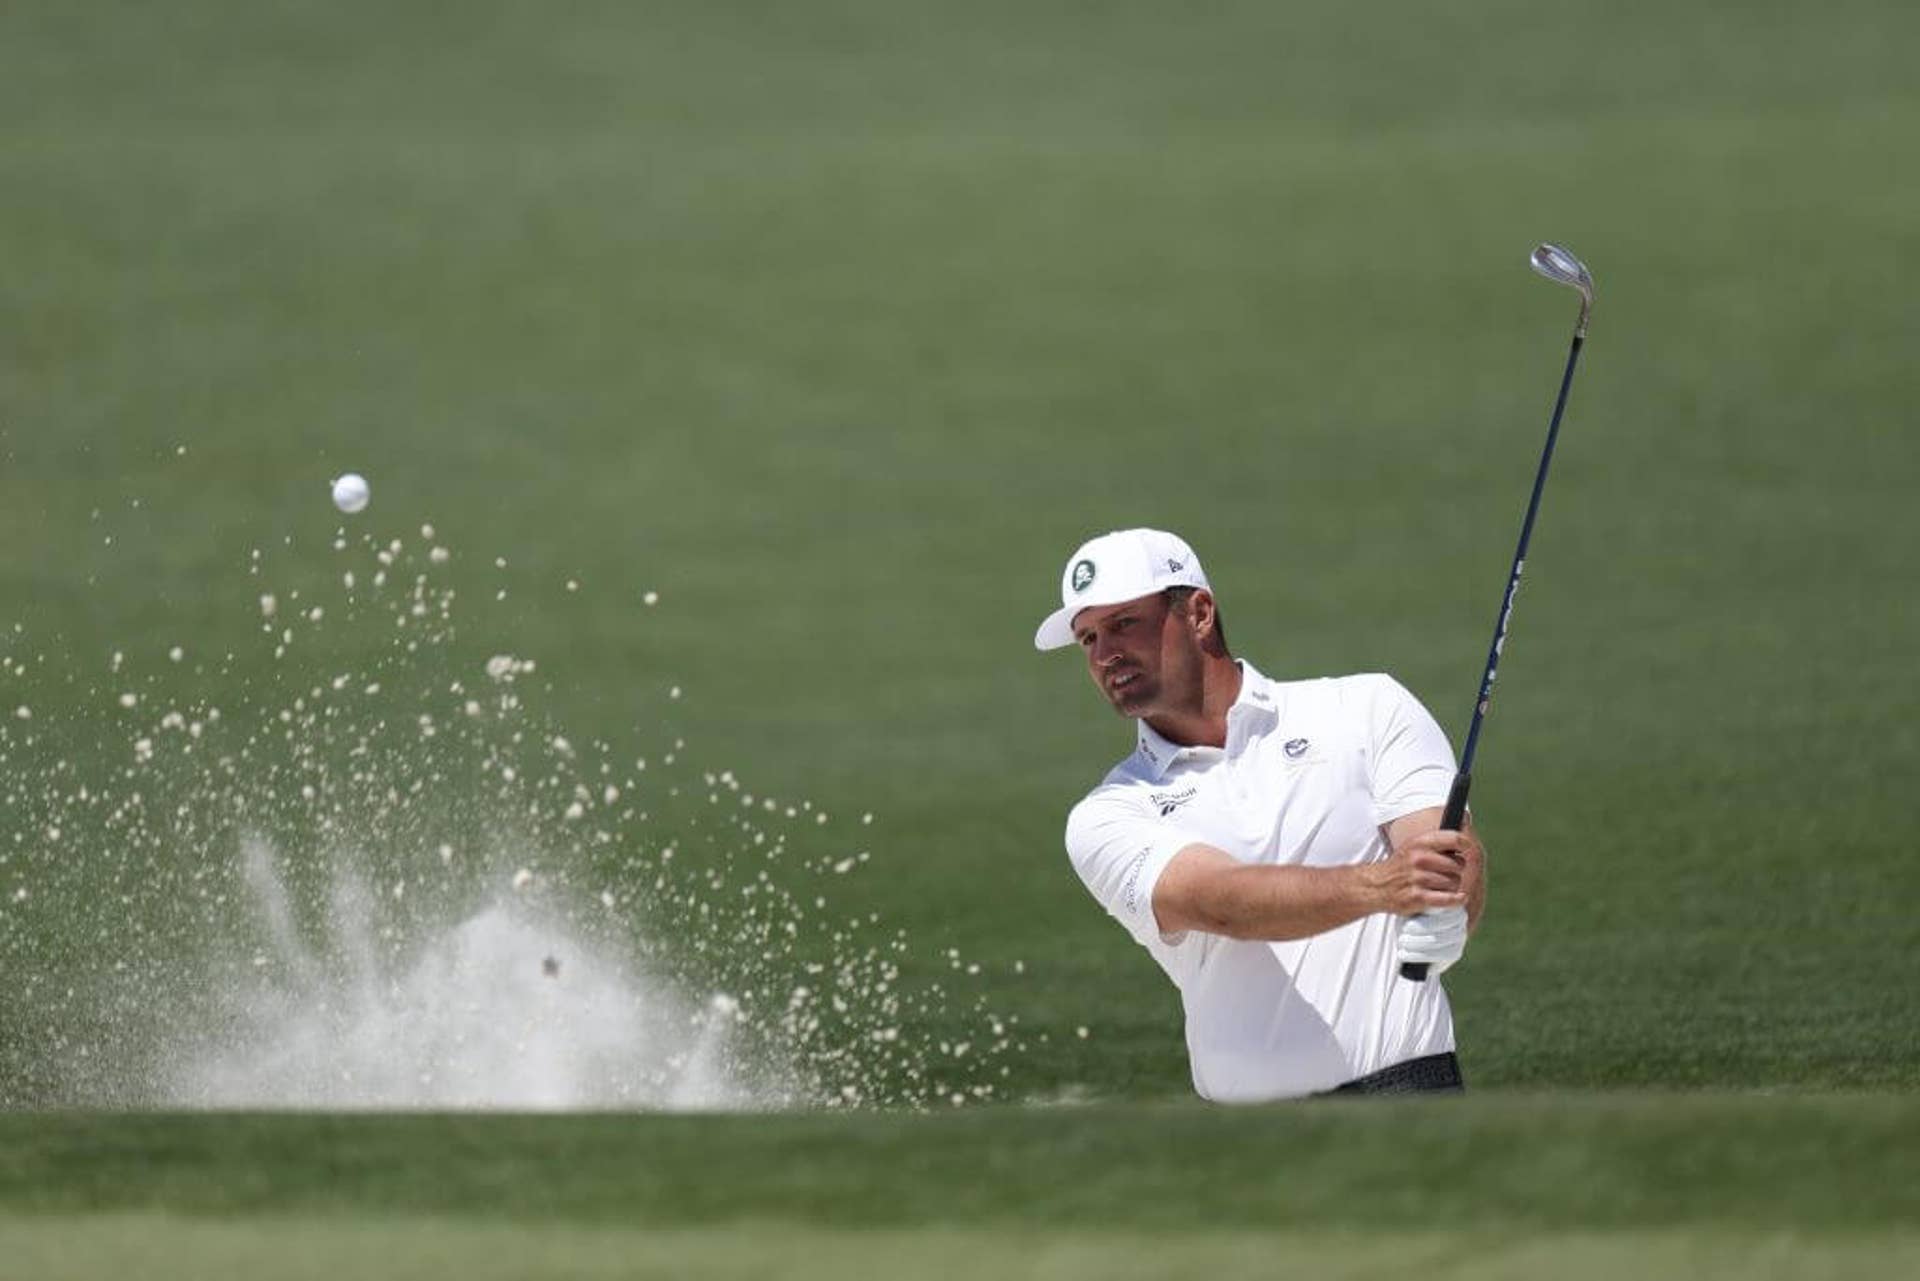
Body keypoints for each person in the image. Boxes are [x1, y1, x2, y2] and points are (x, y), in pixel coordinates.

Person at [1034, 528, 1486, 1100]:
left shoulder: (1368, 707)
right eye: (1088, 638)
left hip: (1412, 1095)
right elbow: (1220, 902)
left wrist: (1451, 905)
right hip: (1251, 1142)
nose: (1105, 655)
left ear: (1199, 612)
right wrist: (1382, 887)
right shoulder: (1107, 814)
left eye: (1125, 623)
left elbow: (1443, 851)